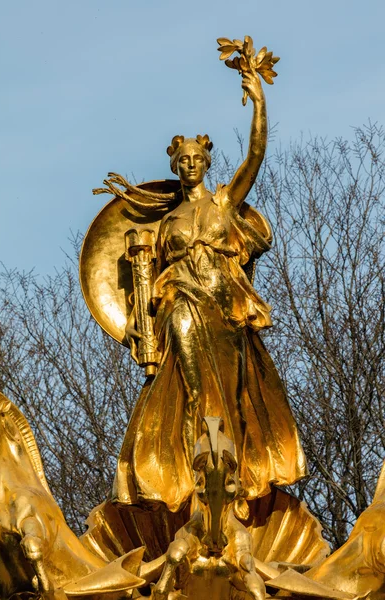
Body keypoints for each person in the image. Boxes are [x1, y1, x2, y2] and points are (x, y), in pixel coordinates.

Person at [113, 68, 308, 513]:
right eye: (181, 160)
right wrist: (139, 327)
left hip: (226, 308)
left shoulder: (223, 203)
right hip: (182, 301)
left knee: (236, 397)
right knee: (194, 389)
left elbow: (256, 155)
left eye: (195, 158)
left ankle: (235, 481)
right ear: (174, 167)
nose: (188, 165)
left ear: (206, 162)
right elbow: (144, 287)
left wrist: (259, 103)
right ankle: (198, 484)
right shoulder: (168, 224)